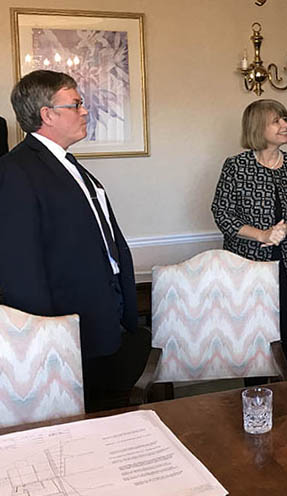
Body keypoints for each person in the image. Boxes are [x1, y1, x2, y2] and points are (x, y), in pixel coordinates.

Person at [0, 70, 151, 412]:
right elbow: (19, 267)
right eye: (77, 104)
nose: (85, 111)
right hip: (65, 334)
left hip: (101, 321)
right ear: (47, 114)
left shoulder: (69, 164)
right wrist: (46, 339)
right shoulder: (15, 171)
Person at [211, 99, 287, 369]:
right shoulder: (236, 167)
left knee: (286, 337)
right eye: (277, 120)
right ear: (257, 127)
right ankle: (255, 398)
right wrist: (262, 235)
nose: (285, 125)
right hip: (248, 267)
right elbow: (222, 213)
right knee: (252, 337)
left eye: (285, 119)